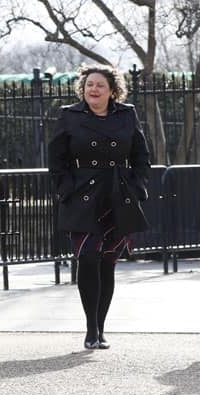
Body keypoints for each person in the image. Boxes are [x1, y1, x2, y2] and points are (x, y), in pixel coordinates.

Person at [48, 64, 150, 350]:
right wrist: (66, 190)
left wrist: (137, 187)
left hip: (118, 195)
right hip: (82, 197)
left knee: (107, 263)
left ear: (112, 90)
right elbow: (56, 160)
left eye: (99, 85)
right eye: (89, 84)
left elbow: (141, 155)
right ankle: (90, 329)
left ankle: (101, 328)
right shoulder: (69, 116)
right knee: (87, 259)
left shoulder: (127, 114)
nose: (93, 89)